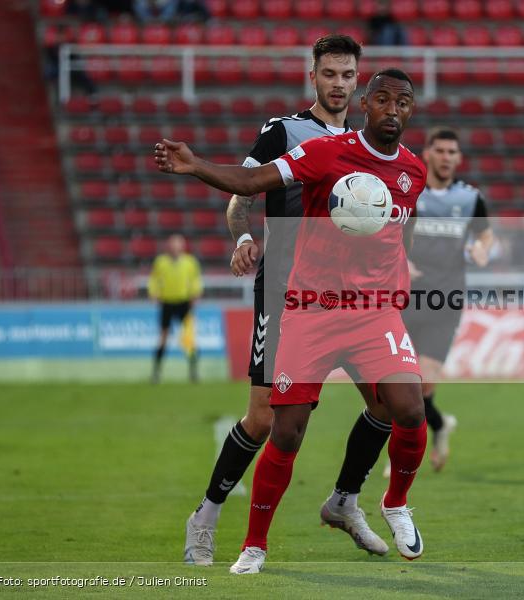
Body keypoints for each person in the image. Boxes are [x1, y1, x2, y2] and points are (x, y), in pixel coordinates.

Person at [155, 68, 429, 572]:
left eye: (403, 102)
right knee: (280, 428)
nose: (393, 110)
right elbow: (251, 182)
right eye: (383, 100)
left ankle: (379, 501)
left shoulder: (414, 171)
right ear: (365, 105)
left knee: (407, 407)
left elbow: (400, 236)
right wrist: (195, 166)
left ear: (412, 109)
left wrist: (399, 290)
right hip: (308, 306)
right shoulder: (320, 149)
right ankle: (247, 540)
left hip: (372, 313)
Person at [383, 128, 494, 476]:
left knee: (422, 384)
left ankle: (422, 438)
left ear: (459, 158)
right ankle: (437, 426)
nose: (447, 157)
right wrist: (401, 260)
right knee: (396, 383)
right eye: (441, 150)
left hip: (445, 301)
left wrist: (482, 248)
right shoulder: (409, 192)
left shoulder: (470, 198)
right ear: (427, 154)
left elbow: (485, 233)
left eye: (452, 152)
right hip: (403, 298)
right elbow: (386, 233)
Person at [147, 234, 201, 383]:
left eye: (179, 245)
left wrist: (195, 294)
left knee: (189, 339)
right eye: (173, 245)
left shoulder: (190, 262)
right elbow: (154, 279)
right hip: (167, 303)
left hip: (184, 303)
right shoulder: (161, 262)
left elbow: (196, 279)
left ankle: (193, 372)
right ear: (169, 246)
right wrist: (153, 293)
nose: (176, 248)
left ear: (182, 247)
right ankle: (156, 372)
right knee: (163, 338)